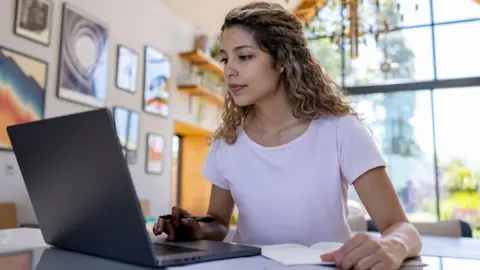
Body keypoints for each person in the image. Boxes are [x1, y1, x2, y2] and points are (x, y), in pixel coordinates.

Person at [154, 2, 422, 269]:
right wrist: (195, 228)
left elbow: (401, 228)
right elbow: (219, 222)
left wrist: (391, 245)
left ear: (282, 60)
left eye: (244, 56)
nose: (229, 70)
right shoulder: (227, 142)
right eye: (225, 59)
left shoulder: (340, 129)